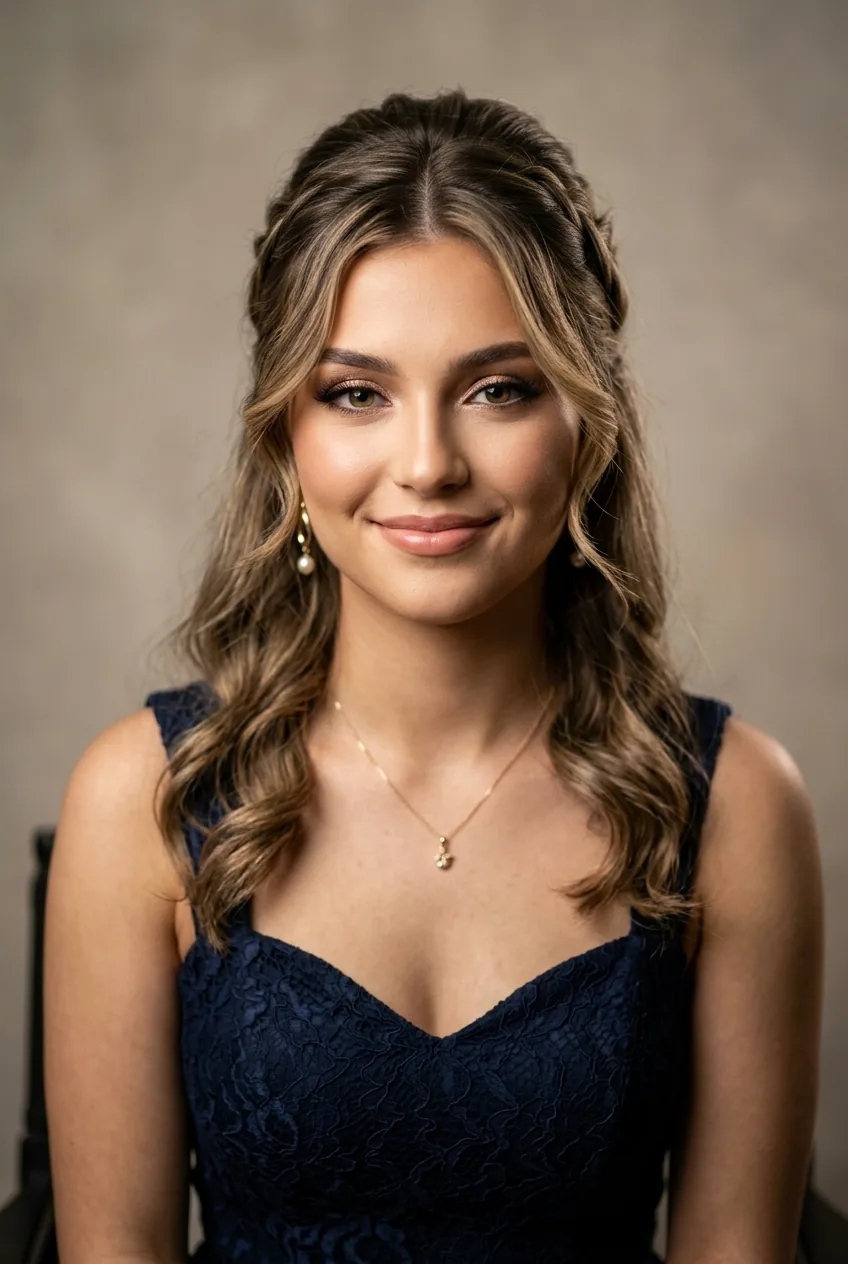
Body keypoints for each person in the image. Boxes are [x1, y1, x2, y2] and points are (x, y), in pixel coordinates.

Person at [43, 88, 824, 1264]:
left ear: (587, 423)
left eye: (497, 389)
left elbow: (734, 1247)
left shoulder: (735, 803)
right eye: (356, 393)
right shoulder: (141, 796)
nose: (425, 463)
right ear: (285, 439)